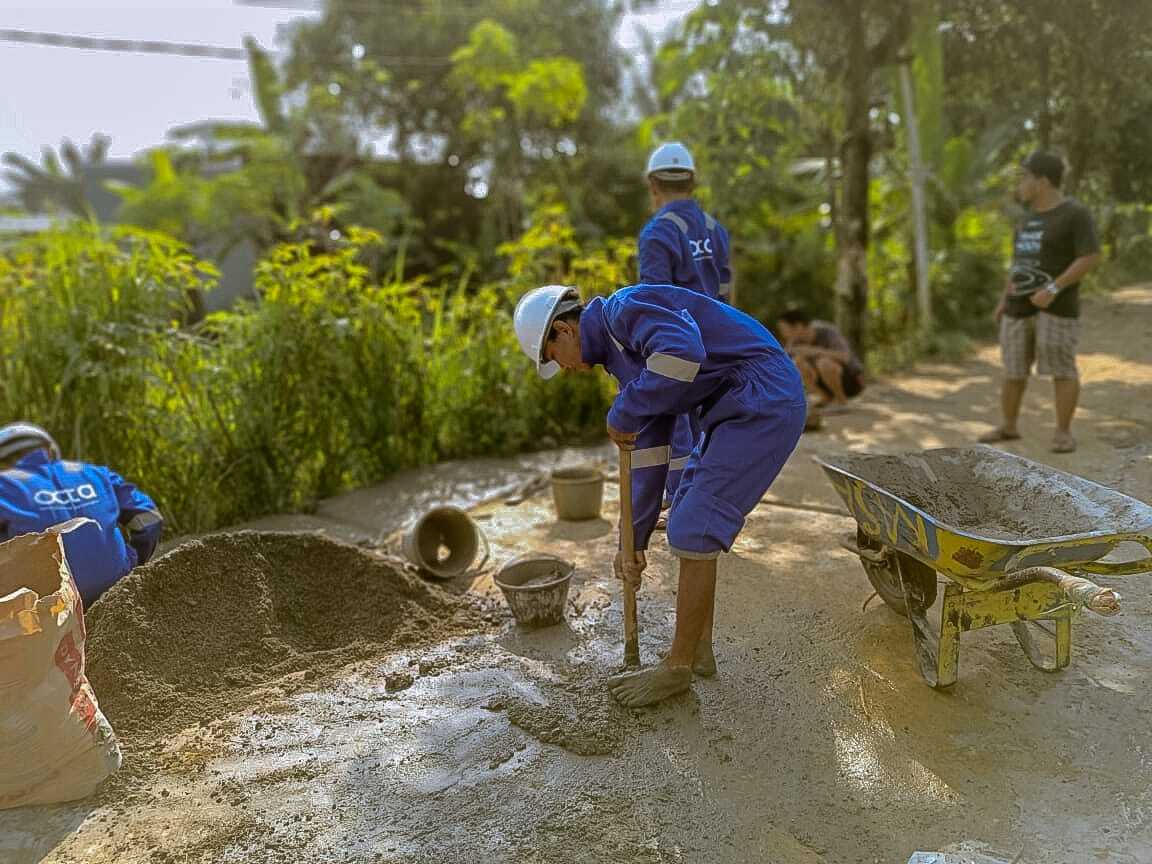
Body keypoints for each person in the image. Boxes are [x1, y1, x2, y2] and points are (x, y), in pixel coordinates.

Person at [512, 284, 806, 707]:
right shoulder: (623, 363)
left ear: (562, 330)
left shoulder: (626, 311)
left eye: (553, 357)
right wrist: (632, 540)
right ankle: (699, 647)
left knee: (692, 527)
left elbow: (683, 355)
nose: (566, 369)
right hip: (733, 407)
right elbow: (647, 456)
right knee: (687, 509)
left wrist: (625, 409)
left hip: (762, 396)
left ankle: (677, 668)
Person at [980, 151, 1100, 454]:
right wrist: (1002, 300)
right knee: (1013, 370)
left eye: (1024, 177)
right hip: (1017, 308)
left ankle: (1063, 432)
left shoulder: (1075, 214)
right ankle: (1008, 426)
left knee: (1062, 368)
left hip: (1056, 309)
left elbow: (1090, 256)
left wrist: (1053, 288)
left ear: (1042, 181)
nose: (1020, 184)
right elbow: (1018, 263)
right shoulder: (1025, 220)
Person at [637, 142, 734, 508]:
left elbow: (654, 302)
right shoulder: (716, 229)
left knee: (677, 427)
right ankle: (704, 498)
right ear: (692, 182)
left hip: (677, 343)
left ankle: (681, 504)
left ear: (653, 185)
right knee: (705, 426)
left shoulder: (657, 233)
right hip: (717, 342)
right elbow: (724, 293)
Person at [0, 423, 163, 608]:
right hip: (116, 588)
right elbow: (150, 520)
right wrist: (132, 563)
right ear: (49, 450)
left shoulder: (4, 485)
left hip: (48, 607)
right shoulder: (96, 474)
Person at [775, 308, 865, 413]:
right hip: (825, 382)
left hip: (852, 380)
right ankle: (825, 398)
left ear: (798, 327)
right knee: (796, 363)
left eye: (784, 330)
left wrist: (813, 351)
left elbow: (845, 357)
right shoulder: (795, 341)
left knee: (824, 363)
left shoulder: (827, 331)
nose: (783, 334)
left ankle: (842, 401)